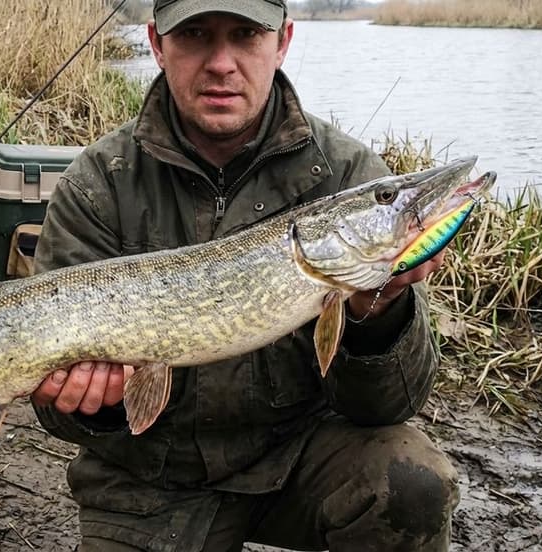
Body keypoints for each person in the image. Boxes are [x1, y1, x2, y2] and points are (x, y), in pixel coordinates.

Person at [31, 1, 460, 550]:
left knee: (412, 483)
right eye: (194, 35)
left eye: (244, 34)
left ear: (282, 41)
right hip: (149, 485)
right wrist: (100, 405)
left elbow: (388, 408)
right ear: (157, 44)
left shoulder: (347, 173)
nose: (221, 62)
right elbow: (58, 415)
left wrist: (379, 310)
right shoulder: (98, 183)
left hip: (297, 463)